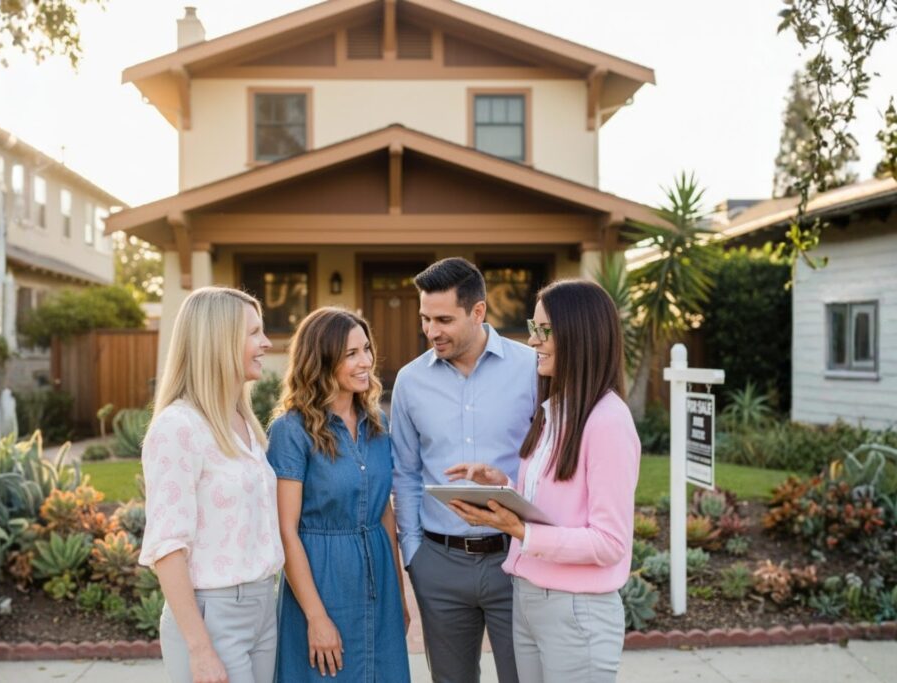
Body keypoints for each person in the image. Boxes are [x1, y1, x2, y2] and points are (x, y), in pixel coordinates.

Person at [446, 279, 641, 683]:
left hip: (576, 609)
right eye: (532, 328)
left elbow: (610, 542)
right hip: (531, 597)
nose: (533, 341)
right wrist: (503, 486)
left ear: (580, 334)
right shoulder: (555, 412)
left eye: (544, 330)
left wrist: (519, 530)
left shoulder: (607, 420)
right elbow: (559, 510)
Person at [391, 257, 536, 683]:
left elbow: (547, 462)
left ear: (478, 312)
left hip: (515, 556)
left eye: (443, 319)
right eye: (425, 318)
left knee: (525, 677)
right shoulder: (409, 382)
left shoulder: (530, 369)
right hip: (439, 562)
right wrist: (415, 554)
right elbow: (405, 473)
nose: (431, 331)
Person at [138, 286, 283, 683]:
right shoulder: (178, 427)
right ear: (218, 341)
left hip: (261, 608)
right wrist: (200, 650)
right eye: (253, 333)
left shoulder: (245, 424)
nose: (265, 343)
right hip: (212, 616)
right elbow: (167, 548)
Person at [267, 307, 410, 682]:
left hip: (379, 577)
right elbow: (287, 530)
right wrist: (315, 617)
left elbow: (385, 513)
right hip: (323, 579)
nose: (366, 362)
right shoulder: (291, 431)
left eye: (367, 350)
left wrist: (398, 595)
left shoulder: (377, 424)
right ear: (322, 359)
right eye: (351, 354)